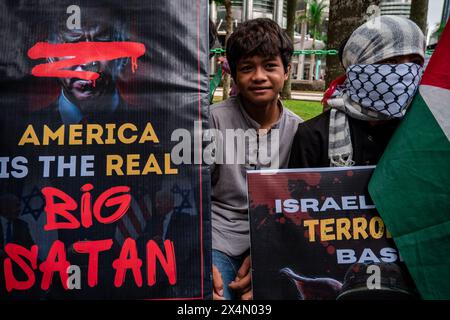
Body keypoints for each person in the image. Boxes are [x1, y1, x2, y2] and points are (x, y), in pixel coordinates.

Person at [209, 18, 303, 300]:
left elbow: (301, 205)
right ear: (234, 75)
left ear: (286, 71)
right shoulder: (213, 120)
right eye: (247, 68)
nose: (259, 76)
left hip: (276, 240)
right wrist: (202, 260)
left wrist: (268, 257)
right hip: (219, 239)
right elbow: (192, 193)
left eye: (270, 66)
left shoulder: (301, 131)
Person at [289, 15, 425, 168]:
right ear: (358, 67)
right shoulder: (314, 136)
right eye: (390, 61)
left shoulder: (421, 136)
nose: (405, 72)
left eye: (415, 62)